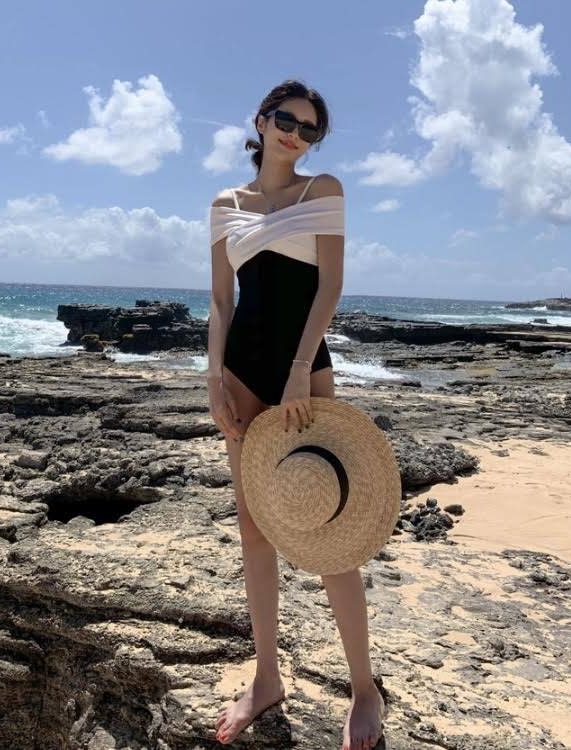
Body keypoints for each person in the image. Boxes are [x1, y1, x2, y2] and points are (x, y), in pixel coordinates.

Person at [206, 79, 385, 750]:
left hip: (304, 369)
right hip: (240, 373)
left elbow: (330, 285)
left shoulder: (323, 191)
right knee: (255, 530)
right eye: (286, 120)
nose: (296, 134)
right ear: (260, 120)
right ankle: (267, 677)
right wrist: (213, 380)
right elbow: (220, 301)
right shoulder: (225, 205)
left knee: (328, 527)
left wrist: (298, 369)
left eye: (310, 129)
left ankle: (364, 688)